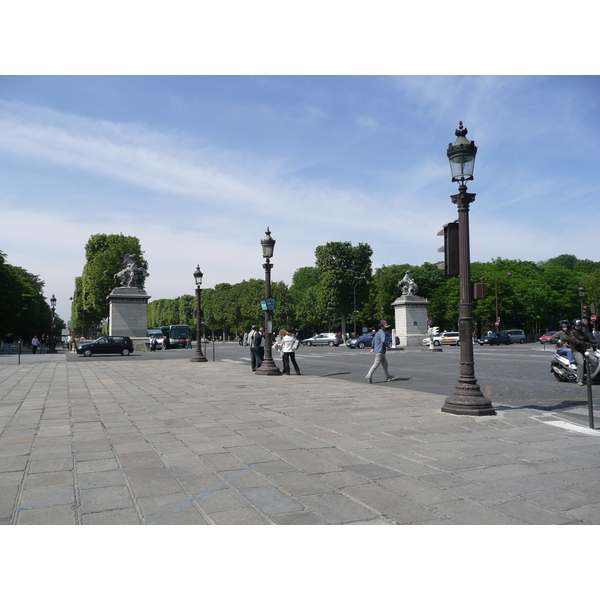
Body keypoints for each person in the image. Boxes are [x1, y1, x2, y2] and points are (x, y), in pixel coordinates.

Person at [569, 319, 594, 386]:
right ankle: (579, 380)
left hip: (583, 351)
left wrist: (595, 341)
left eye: (579, 325)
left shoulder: (582, 333)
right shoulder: (571, 333)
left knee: (594, 361)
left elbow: (588, 339)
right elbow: (575, 341)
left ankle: (595, 376)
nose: (578, 326)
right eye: (577, 325)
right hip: (576, 351)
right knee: (581, 363)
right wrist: (583, 343)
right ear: (574, 326)